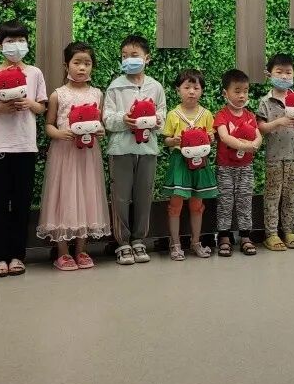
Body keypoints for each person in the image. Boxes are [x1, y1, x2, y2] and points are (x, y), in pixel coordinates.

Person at [0, 20, 48, 278]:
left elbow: (42, 107)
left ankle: (18, 255)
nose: (16, 45)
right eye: (10, 41)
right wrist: (0, 108)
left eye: (21, 40)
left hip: (25, 145)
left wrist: (29, 103)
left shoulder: (35, 73)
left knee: (21, 203)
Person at [37, 42, 111, 270]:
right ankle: (62, 252)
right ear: (66, 65)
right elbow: (48, 125)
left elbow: (100, 124)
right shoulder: (58, 95)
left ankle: (81, 250)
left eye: (87, 63)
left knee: (87, 197)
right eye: (77, 62)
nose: (82, 68)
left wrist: (101, 131)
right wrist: (60, 133)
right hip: (64, 154)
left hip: (88, 155)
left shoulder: (97, 94)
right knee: (64, 197)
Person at [103, 34, 166, 265]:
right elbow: (107, 119)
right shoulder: (115, 86)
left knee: (144, 195)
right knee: (120, 196)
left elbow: (162, 116)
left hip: (148, 149)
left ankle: (139, 239)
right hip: (121, 149)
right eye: (125, 56)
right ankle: (122, 242)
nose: (129, 59)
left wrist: (156, 121)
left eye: (134, 55)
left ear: (147, 58)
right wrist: (124, 119)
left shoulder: (155, 87)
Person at [256, 53, 294, 251]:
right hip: (274, 156)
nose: (284, 76)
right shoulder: (265, 101)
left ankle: (288, 230)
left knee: (290, 195)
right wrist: (278, 122)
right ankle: (271, 234)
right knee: (272, 196)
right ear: (269, 74)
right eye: (279, 72)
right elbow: (261, 128)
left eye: (288, 72)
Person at [162, 69, 217, 260]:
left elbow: (211, 137)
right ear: (178, 90)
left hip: (201, 163)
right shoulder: (173, 114)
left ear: (202, 91)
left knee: (197, 204)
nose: (191, 91)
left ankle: (195, 242)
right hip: (180, 162)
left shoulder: (206, 114)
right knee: (175, 204)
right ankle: (175, 244)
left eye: (196, 87)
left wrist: (211, 138)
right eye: (187, 87)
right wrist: (173, 141)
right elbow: (166, 139)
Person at [214, 69, 262, 257]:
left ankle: (245, 236)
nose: (242, 95)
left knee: (244, 200)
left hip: (245, 167)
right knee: (225, 201)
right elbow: (224, 137)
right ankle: (224, 237)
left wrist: (254, 145)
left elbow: (258, 136)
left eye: (245, 91)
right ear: (225, 93)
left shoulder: (249, 116)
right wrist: (248, 146)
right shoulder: (222, 115)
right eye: (237, 91)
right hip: (225, 167)